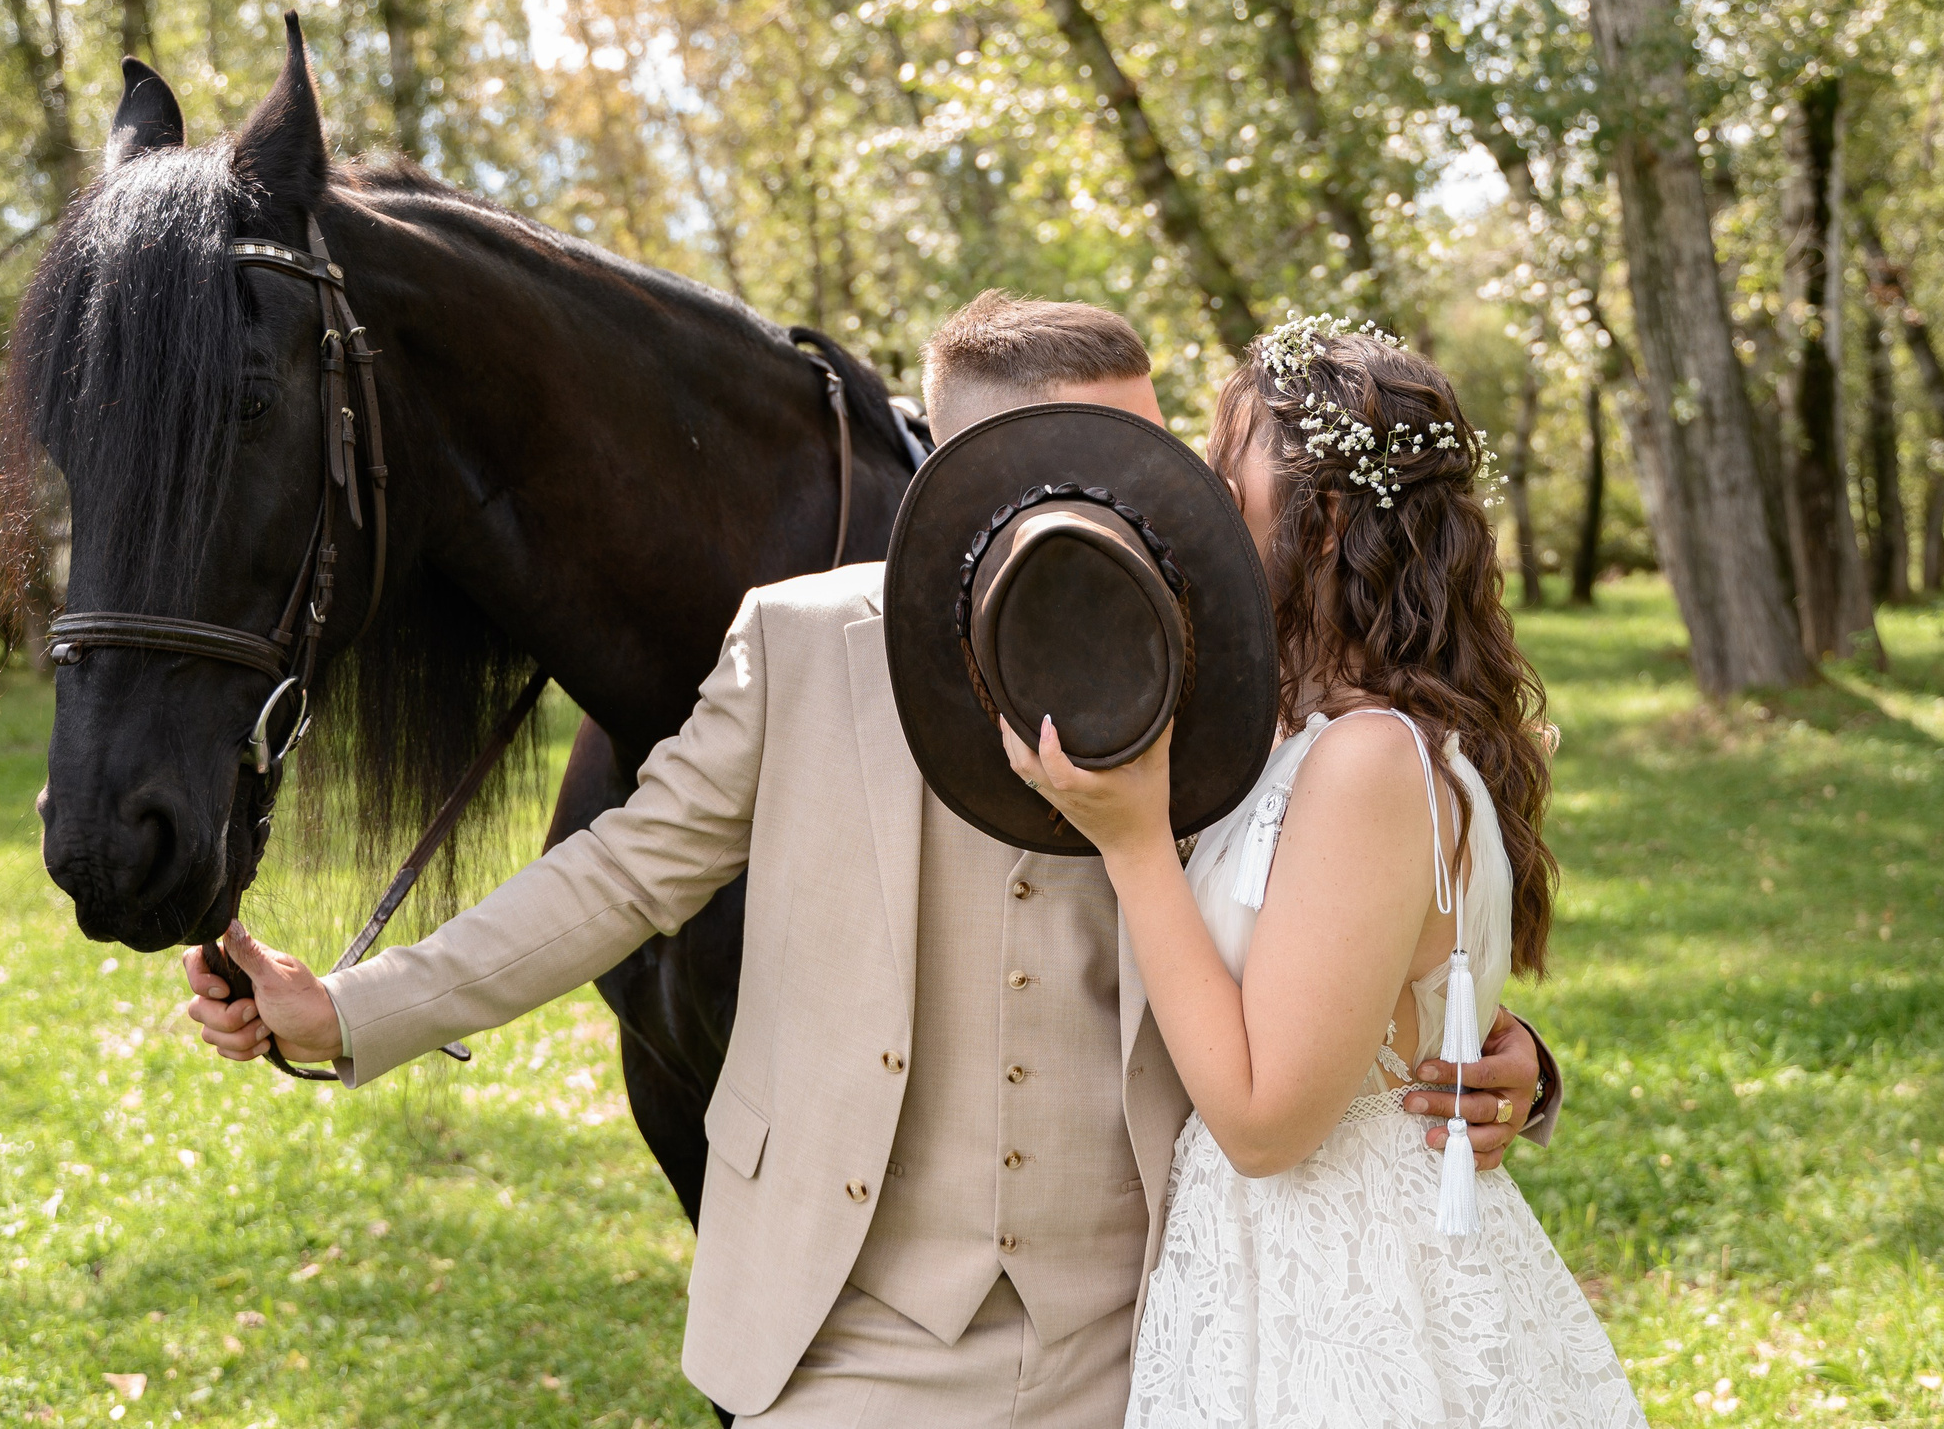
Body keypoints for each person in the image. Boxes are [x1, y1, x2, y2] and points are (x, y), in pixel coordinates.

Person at [182, 292, 1555, 1425]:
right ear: (950, 478)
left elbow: (1358, 904)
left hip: (1134, 1327)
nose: (1125, 520)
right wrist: (351, 1005)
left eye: (1148, 474)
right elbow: (624, 872)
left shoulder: (1230, 661)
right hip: (839, 1330)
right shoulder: (802, 643)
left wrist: (1499, 1053)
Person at [1003, 316, 1642, 1425]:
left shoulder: (1363, 762)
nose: (1195, 493)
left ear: (1328, 514)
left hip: (1345, 1292)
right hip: (1253, 1272)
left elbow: (1264, 1122)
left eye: (1224, 466)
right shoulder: (1291, 731)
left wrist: (1135, 842)